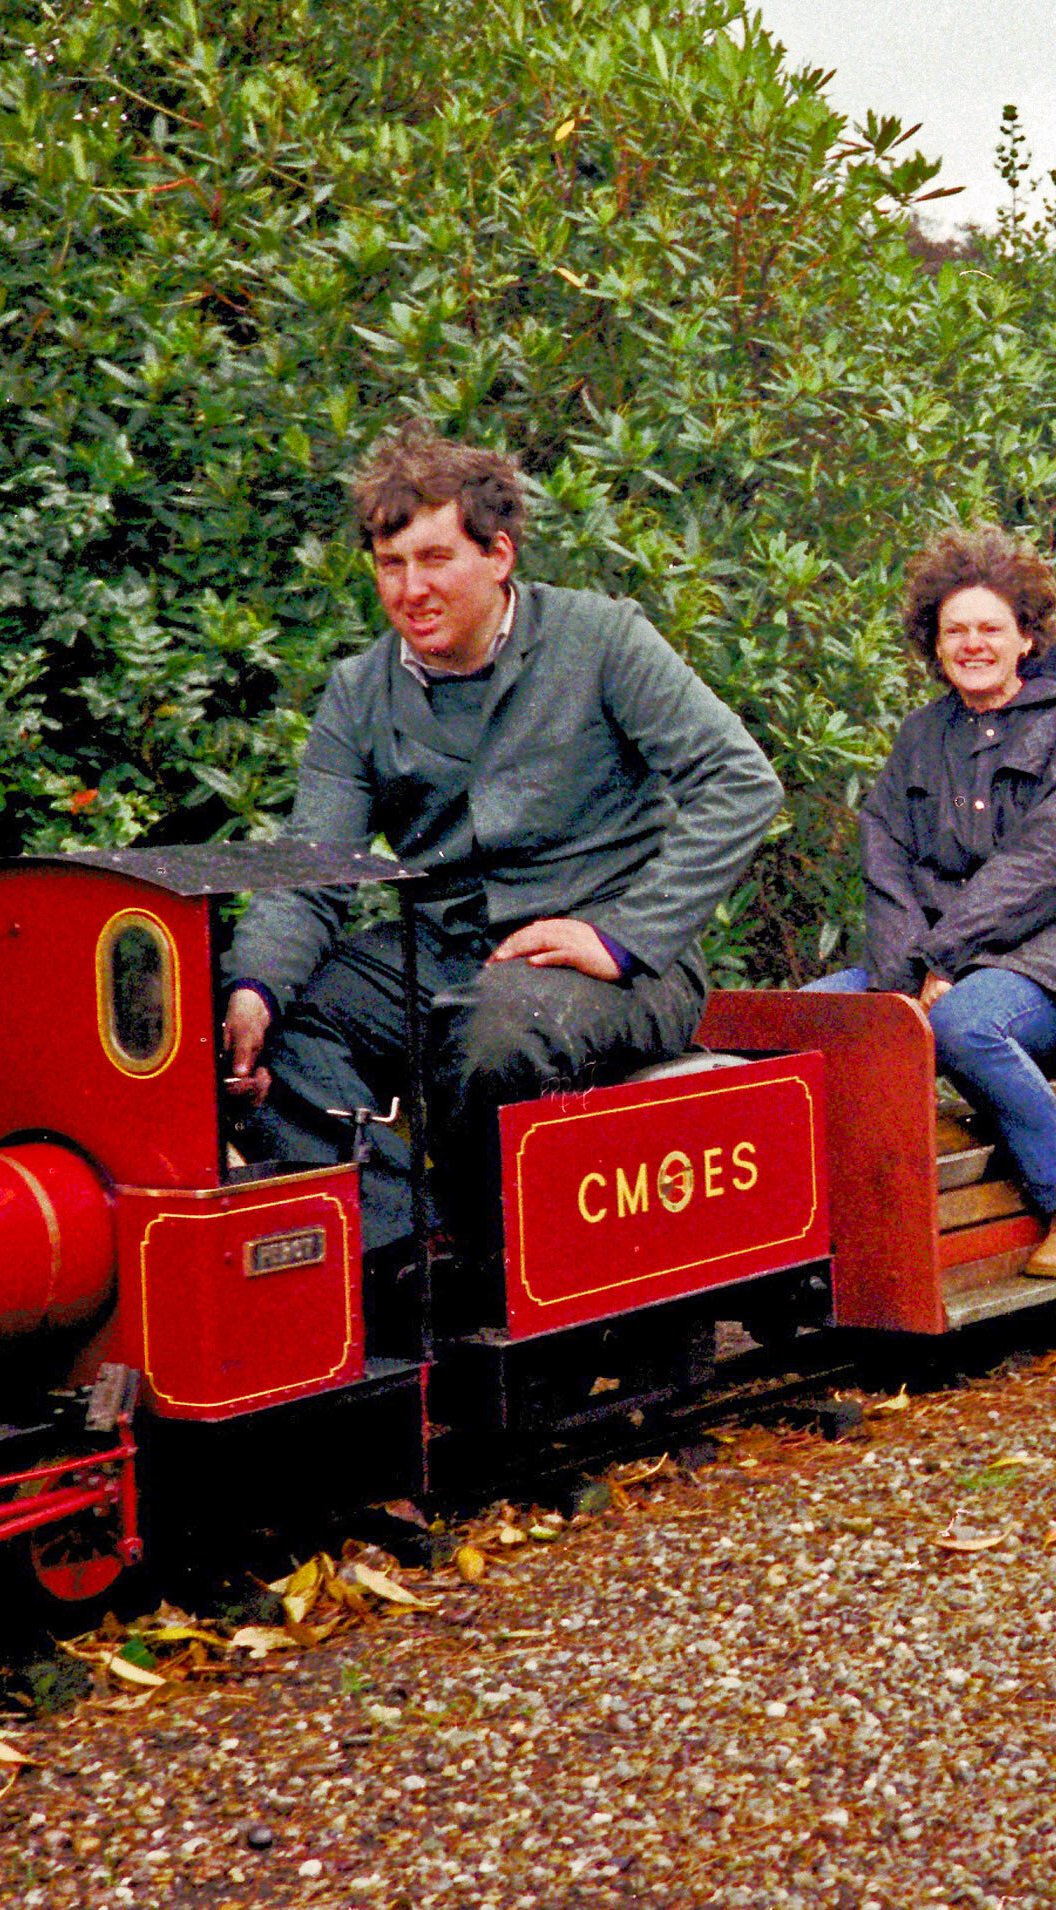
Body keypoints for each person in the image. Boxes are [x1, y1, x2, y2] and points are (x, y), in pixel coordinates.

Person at [219, 423, 782, 1300]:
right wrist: (254, 989)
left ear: (499, 555)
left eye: (435, 559)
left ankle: (501, 1266)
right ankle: (411, 1243)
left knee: (494, 1033)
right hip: (443, 952)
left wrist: (625, 936)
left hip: (617, 963)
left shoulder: (602, 639)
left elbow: (741, 782)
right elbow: (312, 873)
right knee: (263, 1025)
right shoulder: (360, 692)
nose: (411, 588)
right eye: (390, 564)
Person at [811, 525, 1056, 1280]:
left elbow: (1044, 865)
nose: (973, 644)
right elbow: (886, 860)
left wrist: (946, 961)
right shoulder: (920, 735)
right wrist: (904, 976)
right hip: (936, 957)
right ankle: (831, 1231)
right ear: (935, 643)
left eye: (991, 627)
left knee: (964, 1023)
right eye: (955, 630)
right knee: (811, 1020)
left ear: (1026, 636)